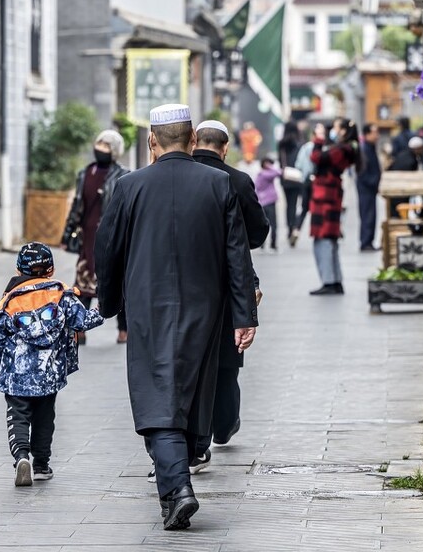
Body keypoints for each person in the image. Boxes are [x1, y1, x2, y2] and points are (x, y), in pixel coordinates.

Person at [95, 103, 257, 533]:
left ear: (152, 142)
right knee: (191, 396)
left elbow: (106, 252)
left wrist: (110, 305)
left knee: (156, 400)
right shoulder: (219, 183)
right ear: (190, 140)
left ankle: (178, 488)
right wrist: (245, 316)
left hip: (147, 308)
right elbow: (237, 257)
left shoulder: (128, 187)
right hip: (206, 310)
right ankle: (175, 490)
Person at [0, 242, 103, 487]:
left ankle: (21, 456)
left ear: (17, 271)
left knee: (18, 415)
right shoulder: (60, 294)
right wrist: (106, 307)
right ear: (51, 270)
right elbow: (83, 321)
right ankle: (42, 465)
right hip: (48, 373)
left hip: (16, 373)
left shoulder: (10, 301)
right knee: (45, 416)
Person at [192, 119, 268, 456]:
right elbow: (258, 232)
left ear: (195, 142)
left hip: (187, 281)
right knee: (226, 355)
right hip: (229, 279)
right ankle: (223, 424)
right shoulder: (237, 179)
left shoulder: (178, 175)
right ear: (225, 148)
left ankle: (198, 434)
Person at [62, 128, 128, 343]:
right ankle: (80, 329)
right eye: (99, 144)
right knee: (83, 280)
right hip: (88, 234)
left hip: (110, 235)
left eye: (107, 146)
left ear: (115, 151)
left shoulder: (122, 175)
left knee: (116, 280)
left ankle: (123, 329)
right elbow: (77, 205)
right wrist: (67, 233)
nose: (101, 149)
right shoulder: (85, 173)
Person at [308, 119, 359, 296]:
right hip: (330, 195)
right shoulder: (347, 149)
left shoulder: (341, 150)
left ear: (344, 131)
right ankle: (335, 280)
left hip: (326, 197)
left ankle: (329, 281)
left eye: (336, 128)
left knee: (323, 239)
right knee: (329, 239)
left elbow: (316, 157)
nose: (333, 131)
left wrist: (318, 139)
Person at [290, 121, 325, 245]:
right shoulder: (324, 148)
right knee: (321, 206)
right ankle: (321, 232)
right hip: (320, 182)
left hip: (306, 181)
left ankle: (296, 231)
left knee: (304, 208)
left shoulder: (305, 148)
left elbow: (298, 164)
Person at [277, 119, 302, 243]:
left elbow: (280, 161)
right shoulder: (299, 143)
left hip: (285, 177)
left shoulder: (281, 144)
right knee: (294, 203)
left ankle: (289, 227)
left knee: (288, 205)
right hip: (297, 176)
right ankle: (294, 226)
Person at [357, 123, 381, 252]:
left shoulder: (370, 147)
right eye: (374, 132)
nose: (377, 135)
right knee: (367, 214)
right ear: (367, 134)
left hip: (370, 188)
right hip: (366, 188)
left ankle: (368, 241)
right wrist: (373, 182)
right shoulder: (365, 149)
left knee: (370, 214)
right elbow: (362, 172)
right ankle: (366, 242)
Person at [255, 157, 282, 251]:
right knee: (273, 224)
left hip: (262, 202)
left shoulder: (259, 175)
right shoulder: (266, 174)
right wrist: (271, 167)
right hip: (269, 202)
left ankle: (262, 243)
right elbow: (279, 172)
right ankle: (273, 244)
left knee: (263, 224)